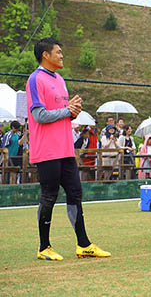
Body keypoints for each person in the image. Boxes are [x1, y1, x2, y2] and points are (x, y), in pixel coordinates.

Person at [27, 37, 109, 261]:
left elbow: (61, 111)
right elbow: (39, 115)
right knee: (49, 196)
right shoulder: (36, 79)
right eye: (58, 52)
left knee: (75, 193)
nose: (62, 55)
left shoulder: (60, 79)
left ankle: (84, 245)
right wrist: (66, 111)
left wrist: (72, 111)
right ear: (46, 55)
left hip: (65, 149)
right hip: (47, 150)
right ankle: (44, 247)